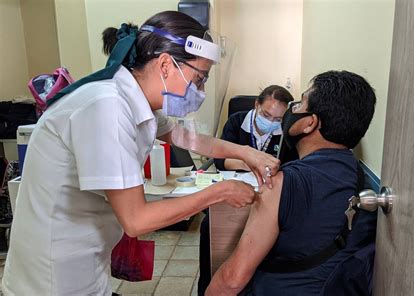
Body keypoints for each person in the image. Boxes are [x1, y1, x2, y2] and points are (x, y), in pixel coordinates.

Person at [2, 11, 280, 295]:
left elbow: (190, 139)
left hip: (85, 262)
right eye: (199, 79)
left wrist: (248, 153)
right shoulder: (107, 106)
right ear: (165, 65)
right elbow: (137, 220)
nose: (201, 90)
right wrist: (219, 192)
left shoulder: (136, 101)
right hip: (51, 278)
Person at [206, 70, 378, 295]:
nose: (291, 111)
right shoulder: (362, 182)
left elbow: (232, 280)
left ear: (310, 123)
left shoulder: (282, 183)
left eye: (299, 106)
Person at [198, 85, 294, 295]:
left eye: (277, 119)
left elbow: (287, 166)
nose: (270, 122)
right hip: (234, 188)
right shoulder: (236, 121)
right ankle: (206, 284)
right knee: (208, 227)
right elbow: (222, 160)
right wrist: (251, 161)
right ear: (256, 104)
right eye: (266, 114)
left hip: (266, 195)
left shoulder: (285, 133)